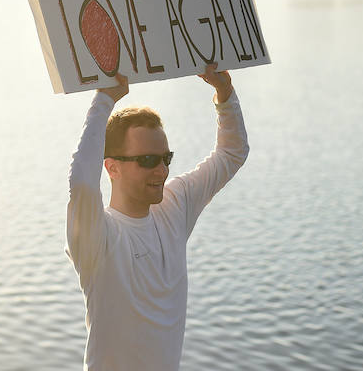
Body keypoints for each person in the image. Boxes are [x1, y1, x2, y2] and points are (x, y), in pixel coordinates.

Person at [66, 63, 249, 371]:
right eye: (148, 160)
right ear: (111, 168)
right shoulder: (97, 236)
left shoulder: (174, 207)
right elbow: (82, 182)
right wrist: (105, 99)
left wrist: (224, 91)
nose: (162, 171)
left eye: (165, 159)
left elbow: (232, 153)